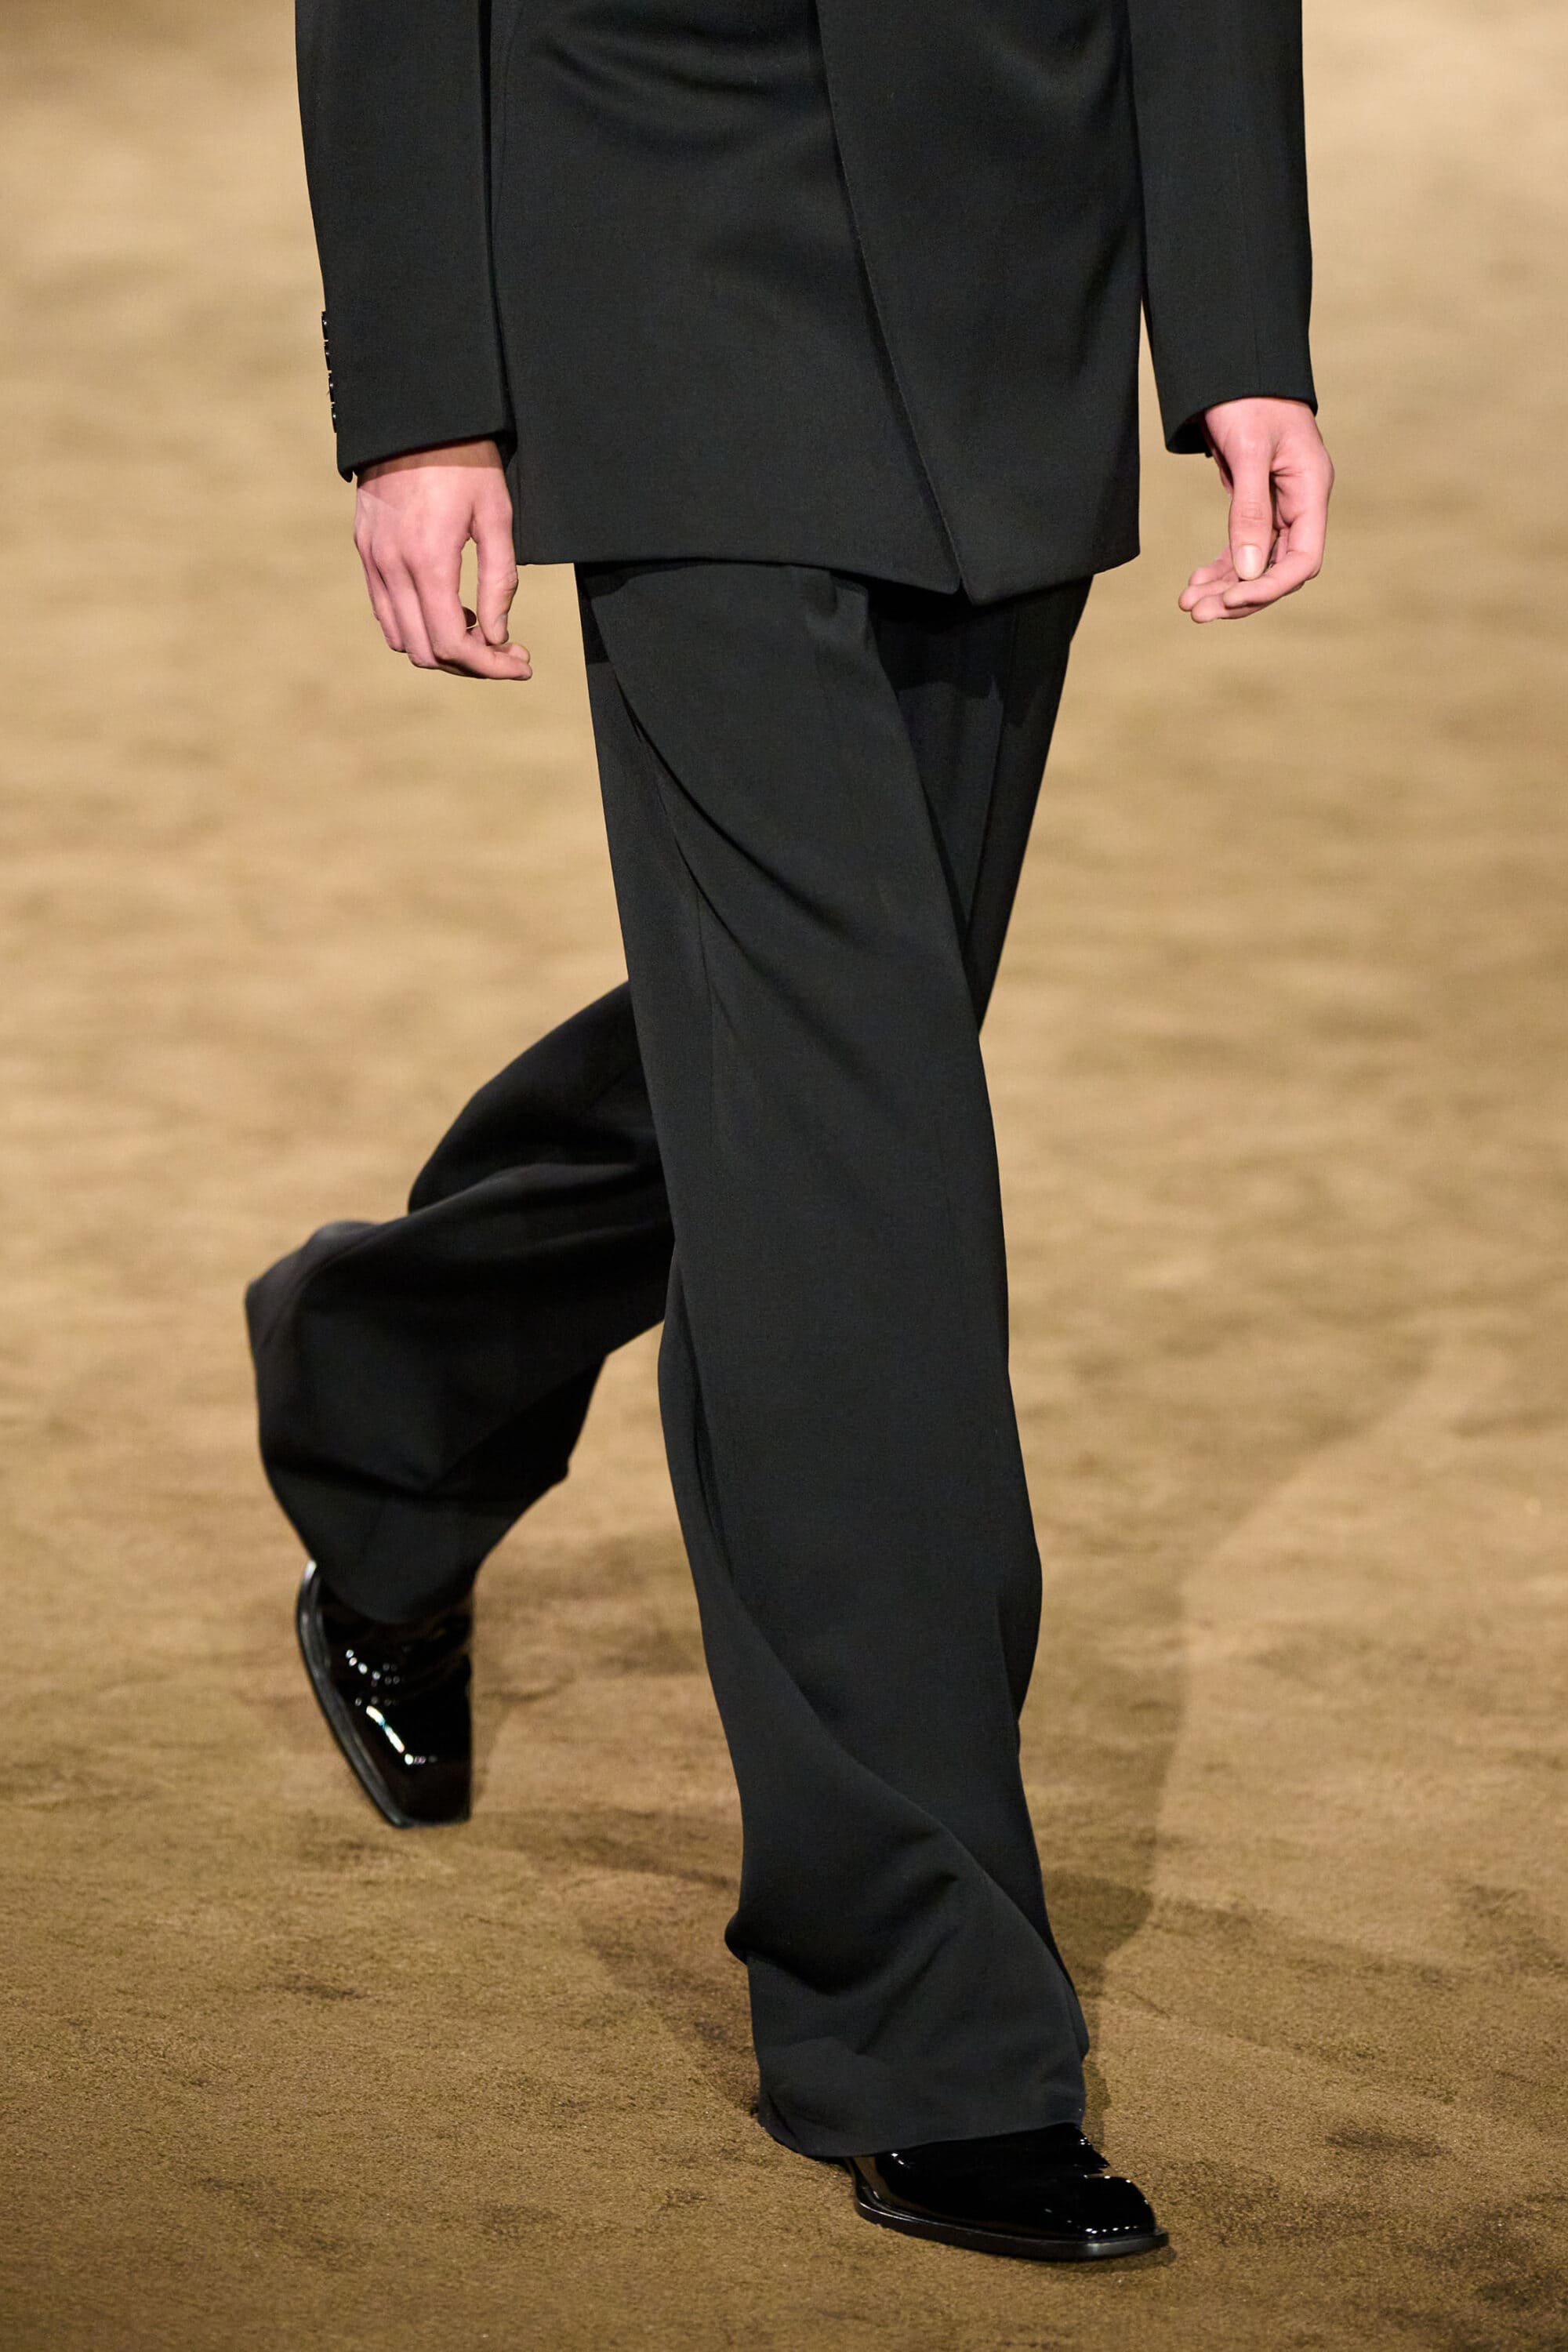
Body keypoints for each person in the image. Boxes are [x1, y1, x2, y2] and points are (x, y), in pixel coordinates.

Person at [250, 0, 1333, 2265]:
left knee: (829, 1081)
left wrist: (1239, 313)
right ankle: (925, 2020)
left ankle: (394, 1391)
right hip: (653, 213)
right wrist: (427, 379)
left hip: (1019, 245)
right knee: (860, 1193)